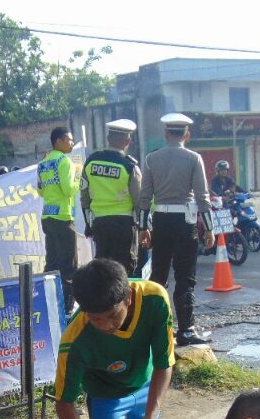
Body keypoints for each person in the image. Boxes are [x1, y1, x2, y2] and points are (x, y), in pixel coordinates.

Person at [54, 259, 175, 419]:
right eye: (95, 319)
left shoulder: (155, 299)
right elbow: (64, 403)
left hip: (146, 387)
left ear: (128, 297)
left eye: (112, 316)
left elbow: (164, 364)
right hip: (106, 399)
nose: (105, 326)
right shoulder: (74, 341)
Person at [143, 113, 214, 346]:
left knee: (159, 275)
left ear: (166, 133)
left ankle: (155, 330)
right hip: (185, 222)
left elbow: (145, 198)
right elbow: (202, 196)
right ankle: (186, 330)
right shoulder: (194, 158)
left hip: (161, 221)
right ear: (187, 135)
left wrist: (144, 228)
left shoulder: (151, 158)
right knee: (185, 277)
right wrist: (210, 229)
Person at [80, 118, 148, 276]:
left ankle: (102, 300)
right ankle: (122, 300)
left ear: (108, 138)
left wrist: (88, 225)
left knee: (102, 268)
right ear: (128, 141)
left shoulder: (90, 162)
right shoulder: (129, 166)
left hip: (99, 223)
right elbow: (139, 201)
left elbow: (84, 197)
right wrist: (144, 227)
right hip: (123, 224)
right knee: (123, 268)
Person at [38, 127, 79, 312]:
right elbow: (69, 190)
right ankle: (68, 307)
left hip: (47, 216)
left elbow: (40, 190)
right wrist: (79, 177)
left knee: (52, 262)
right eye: (69, 140)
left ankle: (48, 303)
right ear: (59, 141)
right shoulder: (64, 161)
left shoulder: (44, 162)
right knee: (68, 265)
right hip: (63, 217)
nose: (72, 143)